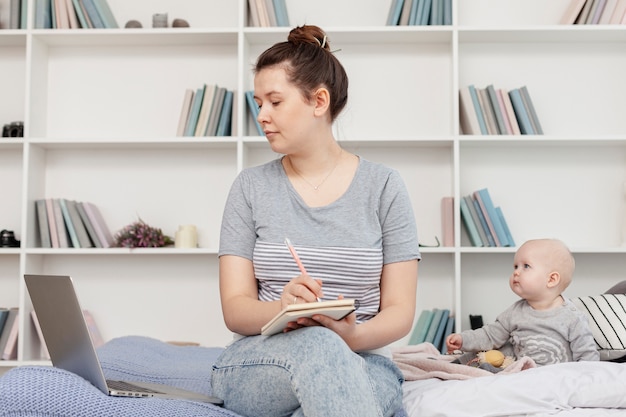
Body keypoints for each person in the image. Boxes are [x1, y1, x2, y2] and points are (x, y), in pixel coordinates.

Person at [210, 25, 420, 417]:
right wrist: (281, 307)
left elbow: (399, 311)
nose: (261, 116)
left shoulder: (384, 186)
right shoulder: (250, 188)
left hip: (364, 360)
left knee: (332, 378)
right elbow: (235, 309)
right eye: (258, 103)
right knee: (321, 346)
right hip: (259, 363)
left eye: (274, 101)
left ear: (319, 100)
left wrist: (352, 334)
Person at [446, 238, 599, 366]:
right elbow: (490, 335)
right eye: (515, 266)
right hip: (521, 377)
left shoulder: (573, 318)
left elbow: (588, 358)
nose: (516, 272)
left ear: (551, 279)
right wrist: (463, 339)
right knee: (482, 359)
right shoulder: (515, 312)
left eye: (526, 266)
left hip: (557, 380)